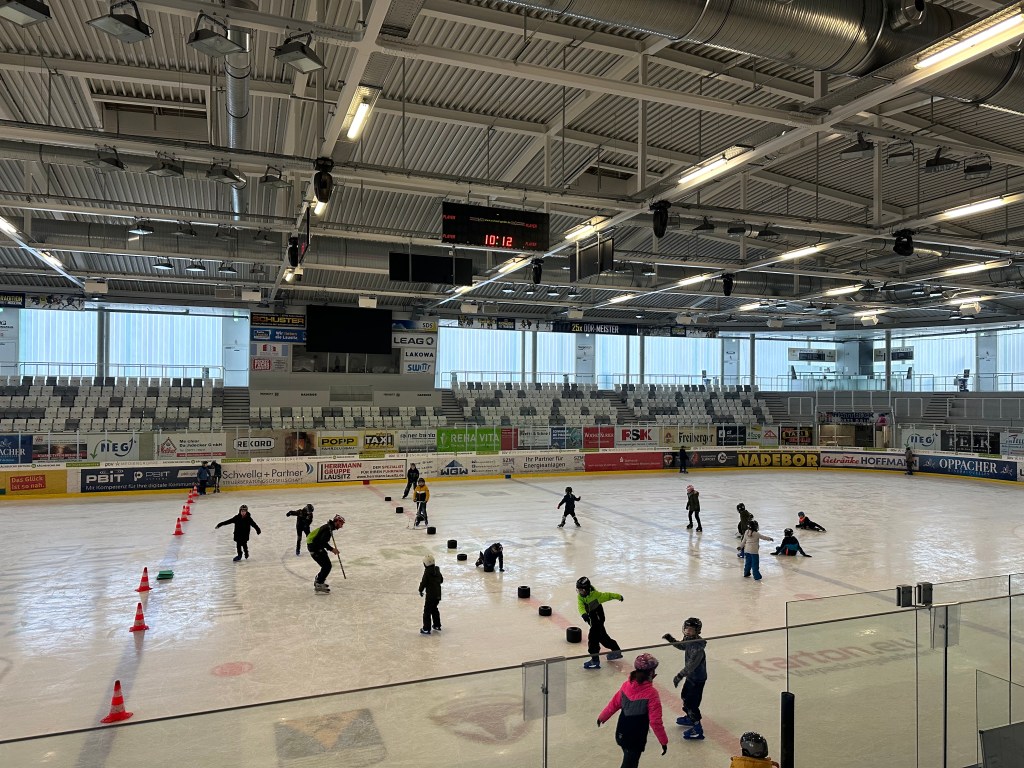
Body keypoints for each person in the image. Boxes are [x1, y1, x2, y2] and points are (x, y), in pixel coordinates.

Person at [597, 653, 668, 768]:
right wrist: (663, 741)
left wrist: (602, 716)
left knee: (629, 761)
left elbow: (614, 703)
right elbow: (655, 722)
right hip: (635, 738)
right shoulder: (651, 694)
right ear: (651, 673)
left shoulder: (626, 685)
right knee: (630, 764)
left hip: (621, 732)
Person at [663, 617, 707, 741]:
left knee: (692, 703)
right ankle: (690, 717)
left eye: (691, 629)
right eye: (686, 628)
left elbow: (691, 665)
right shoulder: (689, 640)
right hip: (691, 677)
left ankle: (697, 729)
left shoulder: (697, 648)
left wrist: (679, 675)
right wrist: (671, 640)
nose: (688, 631)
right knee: (685, 696)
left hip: (697, 679)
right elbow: (682, 646)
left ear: (697, 631)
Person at [577, 576, 624, 669]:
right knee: (603, 638)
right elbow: (580, 605)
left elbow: (608, 595)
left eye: (581, 590)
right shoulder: (581, 597)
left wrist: (618, 596)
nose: (580, 592)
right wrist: (583, 614)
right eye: (578, 590)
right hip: (592, 620)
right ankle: (616, 651)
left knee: (593, 639)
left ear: (587, 589)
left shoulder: (596, 595)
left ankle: (595, 660)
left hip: (597, 620)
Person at [307, 514, 345, 594]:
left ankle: (319, 580)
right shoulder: (328, 529)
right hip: (314, 547)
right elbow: (322, 542)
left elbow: (322, 541)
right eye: (341, 523)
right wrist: (332, 549)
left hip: (316, 546)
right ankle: (319, 583)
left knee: (326, 565)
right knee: (327, 566)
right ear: (337, 522)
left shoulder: (329, 527)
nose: (341, 526)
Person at [419, 553, 443, 635]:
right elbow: (441, 580)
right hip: (438, 595)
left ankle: (426, 628)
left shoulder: (427, 572)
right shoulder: (437, 570)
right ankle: (437, 625)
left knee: (427, 611)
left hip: (430, 596)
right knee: (434, 609)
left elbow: (423, 583)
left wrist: (420, 590)